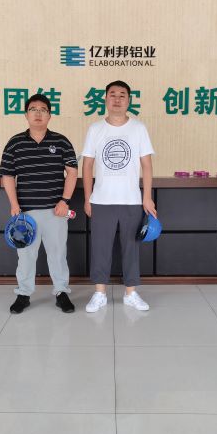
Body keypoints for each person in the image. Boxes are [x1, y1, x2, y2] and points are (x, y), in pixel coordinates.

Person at [0, 94, 78, 314]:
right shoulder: (15, 143)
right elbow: (7, 176)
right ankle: (23, 294)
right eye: (33, 109)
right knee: (25, 256)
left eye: (43, 109)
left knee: (57, 254)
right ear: (26, 114)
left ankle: (61, 292)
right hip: (26, 214)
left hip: (56, 211)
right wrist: (14, 205)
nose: (38, 113)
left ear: (50, 115)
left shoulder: (61, 141)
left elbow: (72, 172)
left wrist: (65, 201)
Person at [82, 80, 157, 313]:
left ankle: (131, 294)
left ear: (129, 100)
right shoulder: (95, 129)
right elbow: (87, 166)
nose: (117, 99)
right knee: (100, 248)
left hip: (131, 200)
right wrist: (87, 198)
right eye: (112, 94)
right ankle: (99, 293)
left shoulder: (138, 128)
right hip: (101, 200)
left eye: (122, 95)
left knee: (131, 248)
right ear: (105, 99)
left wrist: (147, 197)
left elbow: (147, 165)